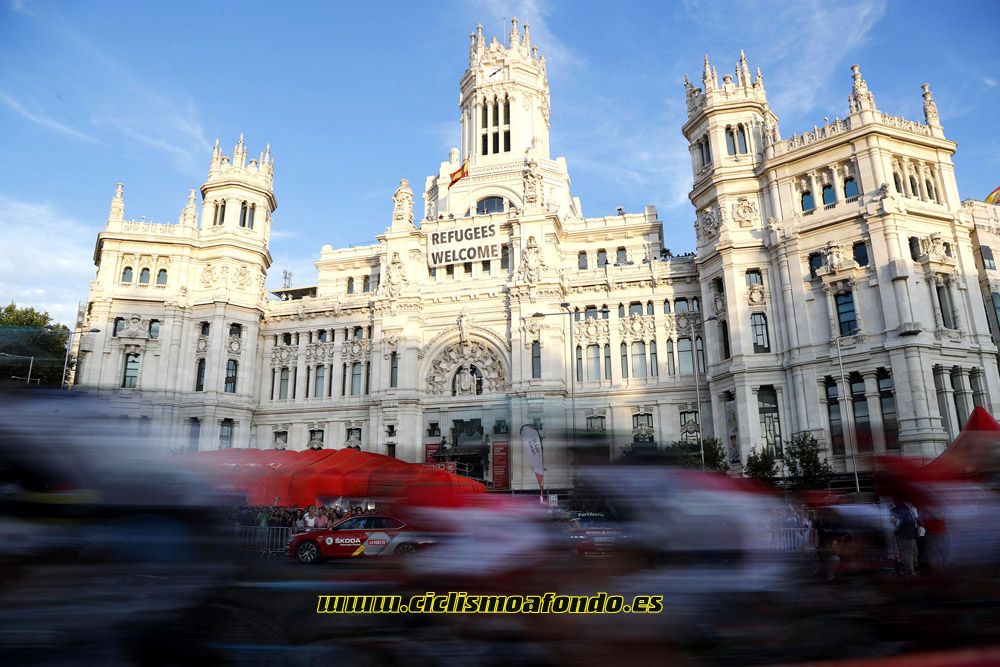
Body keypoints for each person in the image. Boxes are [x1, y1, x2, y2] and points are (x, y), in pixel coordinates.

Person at [890, 498, 921, 576]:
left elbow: (893, 521)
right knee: (909, 552)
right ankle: (910, 570)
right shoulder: (907, 509)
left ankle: (908, 567)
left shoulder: (895, 510)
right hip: (907, 533)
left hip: (901, 533)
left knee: (907, 551)